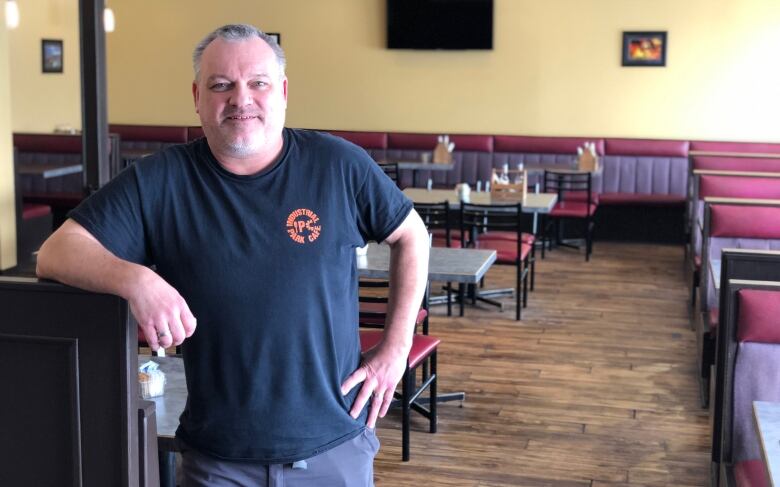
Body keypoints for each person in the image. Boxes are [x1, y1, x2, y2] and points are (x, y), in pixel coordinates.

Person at [36, 23, 429, 486]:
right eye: (221, 85)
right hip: (217, 460)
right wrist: (136, 279)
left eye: (257, 83)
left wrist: (396, 349)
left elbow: (413, 236)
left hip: (333, 448)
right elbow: (56, 252)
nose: (241, 99)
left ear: (282, 91)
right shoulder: (161, 180)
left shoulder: (338, 164)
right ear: (197, 96)